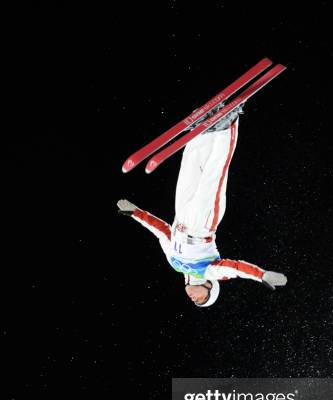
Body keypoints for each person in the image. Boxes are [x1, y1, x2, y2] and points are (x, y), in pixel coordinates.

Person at [117, 104, 287, 307]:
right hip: (202, 224)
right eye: (201, 299)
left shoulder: (175, 264)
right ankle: (228, 124)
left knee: (190, 166)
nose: (194, 299)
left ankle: (203, 132)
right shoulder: (210, 271)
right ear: (210, 287)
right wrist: (262, 275)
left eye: (195, 302)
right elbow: (236, 269)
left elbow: (163, 232)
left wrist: (135, 212)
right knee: (213, 174)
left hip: (180, 216)